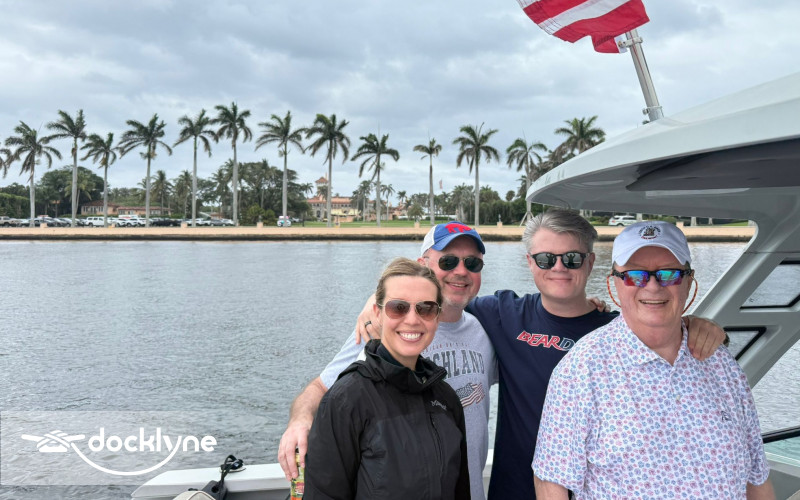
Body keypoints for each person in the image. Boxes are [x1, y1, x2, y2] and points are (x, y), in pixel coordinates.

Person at [533, 221, 774, 499]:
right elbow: (551, 483)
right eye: (635, 275)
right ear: (614, 284)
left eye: (669, 274)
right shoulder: (580, 370)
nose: (653, 286)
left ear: (689, 282)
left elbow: (757, 478)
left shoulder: (721, 364)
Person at [280, 221, 497, 500]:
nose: (461, 271)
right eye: (448, 261)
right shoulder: (378, 330)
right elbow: (322, 388)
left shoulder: (485, 330)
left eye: (472, 263)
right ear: (423, 264)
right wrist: (299, 421)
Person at [304, 258, 470, 499]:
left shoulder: (446, 399)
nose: (412, 319)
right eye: (398, 307)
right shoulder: (346, 400)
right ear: (377, 313)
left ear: (437, 317)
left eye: (426, 308)